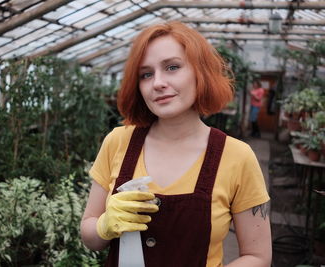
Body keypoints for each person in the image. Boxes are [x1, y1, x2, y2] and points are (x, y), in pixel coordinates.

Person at [81, 21, 271, 267]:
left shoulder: (236, 156)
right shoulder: (118, 142)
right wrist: (104, 226)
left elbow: (258, 256)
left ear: (199, 73)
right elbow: (89, 236)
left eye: (172, 67)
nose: (157, 82)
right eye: (146, 74)